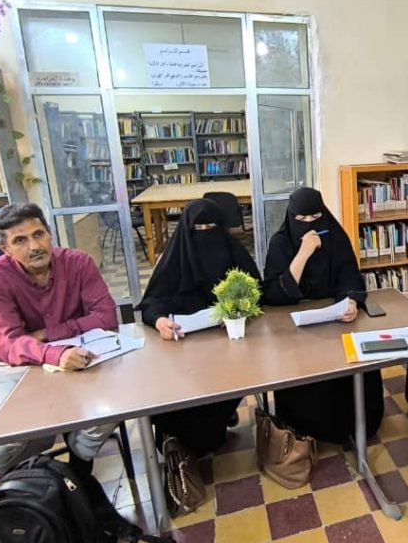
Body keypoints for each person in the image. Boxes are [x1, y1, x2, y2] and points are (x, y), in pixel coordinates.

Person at [0, 203, 121, 476]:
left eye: (38, 234)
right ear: (5, 248)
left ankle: (77, 468)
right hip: (18, 366)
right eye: (20, 240)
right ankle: (42, 460)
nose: (34, 246)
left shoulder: (78, 263)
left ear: (50, 233)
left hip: (82, 355)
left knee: (121, 401)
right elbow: (8, 344)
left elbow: (107, 317)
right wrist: (54, 354)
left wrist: (49, 333)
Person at [262, 187, 384, 443]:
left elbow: (350, 275)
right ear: (291, 217)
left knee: (354, 362)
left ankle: (359, 423)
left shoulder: (335, 235)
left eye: (315, 217)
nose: (309, 225)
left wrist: (351, 302)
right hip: (295, 327)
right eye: (301, 219)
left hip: (335, 321)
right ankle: (310, 426)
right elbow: (273, 294)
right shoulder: (280, 242)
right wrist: (304, 253)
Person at [137, 198, 258, 455]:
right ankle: (177, 443)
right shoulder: (175, 256)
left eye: (211, 228)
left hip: (227, 345)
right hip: (183, 347)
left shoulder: (233, 251)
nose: (205, 235)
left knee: (237, 376)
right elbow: (151, 304)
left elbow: (255, 289)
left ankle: (219, 422)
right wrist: (160, 322)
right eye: (198, 229)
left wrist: (238, 312)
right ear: (186, 230)